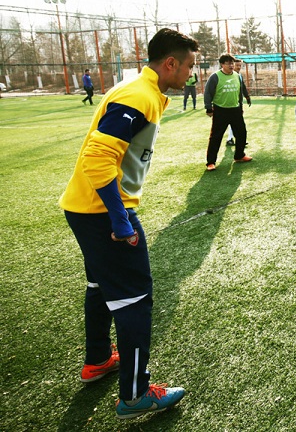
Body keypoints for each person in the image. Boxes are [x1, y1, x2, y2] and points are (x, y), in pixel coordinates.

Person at [59, 28, 198, 419]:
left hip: (86, 208)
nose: (191, 73)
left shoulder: (145, 91)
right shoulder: (138, 95)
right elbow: (97, 158)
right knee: (136, 296)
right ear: (170, 63)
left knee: (101, 285)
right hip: (102, 211)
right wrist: (121, 221)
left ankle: (98, 361)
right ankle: (136, 394)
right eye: (188, 65)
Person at [204, 53, 253, 171]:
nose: (231, 65)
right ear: (222, 64)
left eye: (232, 63)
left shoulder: (237, 76)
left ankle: (239, 155)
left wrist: (241, 105)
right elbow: (208, 93)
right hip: (220, 110)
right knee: (216, 137)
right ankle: (211, 162)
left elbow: (240, 91)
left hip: (235, 110)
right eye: (228, 63)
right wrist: (208, 108)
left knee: (241, 133)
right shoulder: (215, 77)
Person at [226, 59, 251, 146]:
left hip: (238, 102)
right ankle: (231, 139)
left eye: (240, 65)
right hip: (230, 103)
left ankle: (234, 140)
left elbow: (242, 87)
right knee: (233, 121)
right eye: (237, 65)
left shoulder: (239, 75)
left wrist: (247, 97)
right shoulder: (228, 76)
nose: (239, 67)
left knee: (236, 122)